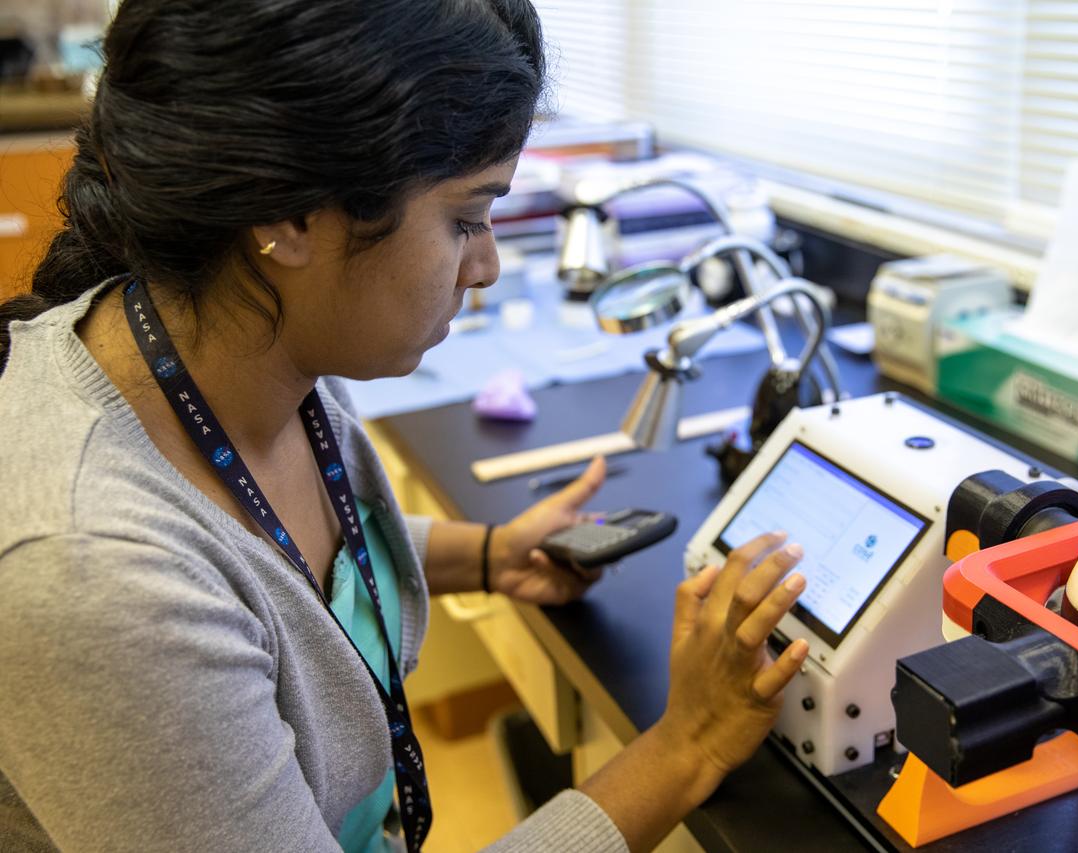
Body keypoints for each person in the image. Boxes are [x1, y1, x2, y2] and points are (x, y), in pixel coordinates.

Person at [0, 1, 810, 851]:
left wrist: (492, 554)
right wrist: (688, 746)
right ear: (289, 214)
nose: (487, 264)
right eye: (465, 218)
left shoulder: (247, 339)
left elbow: (274, 554)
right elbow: (206, 578)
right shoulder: (97, 578)